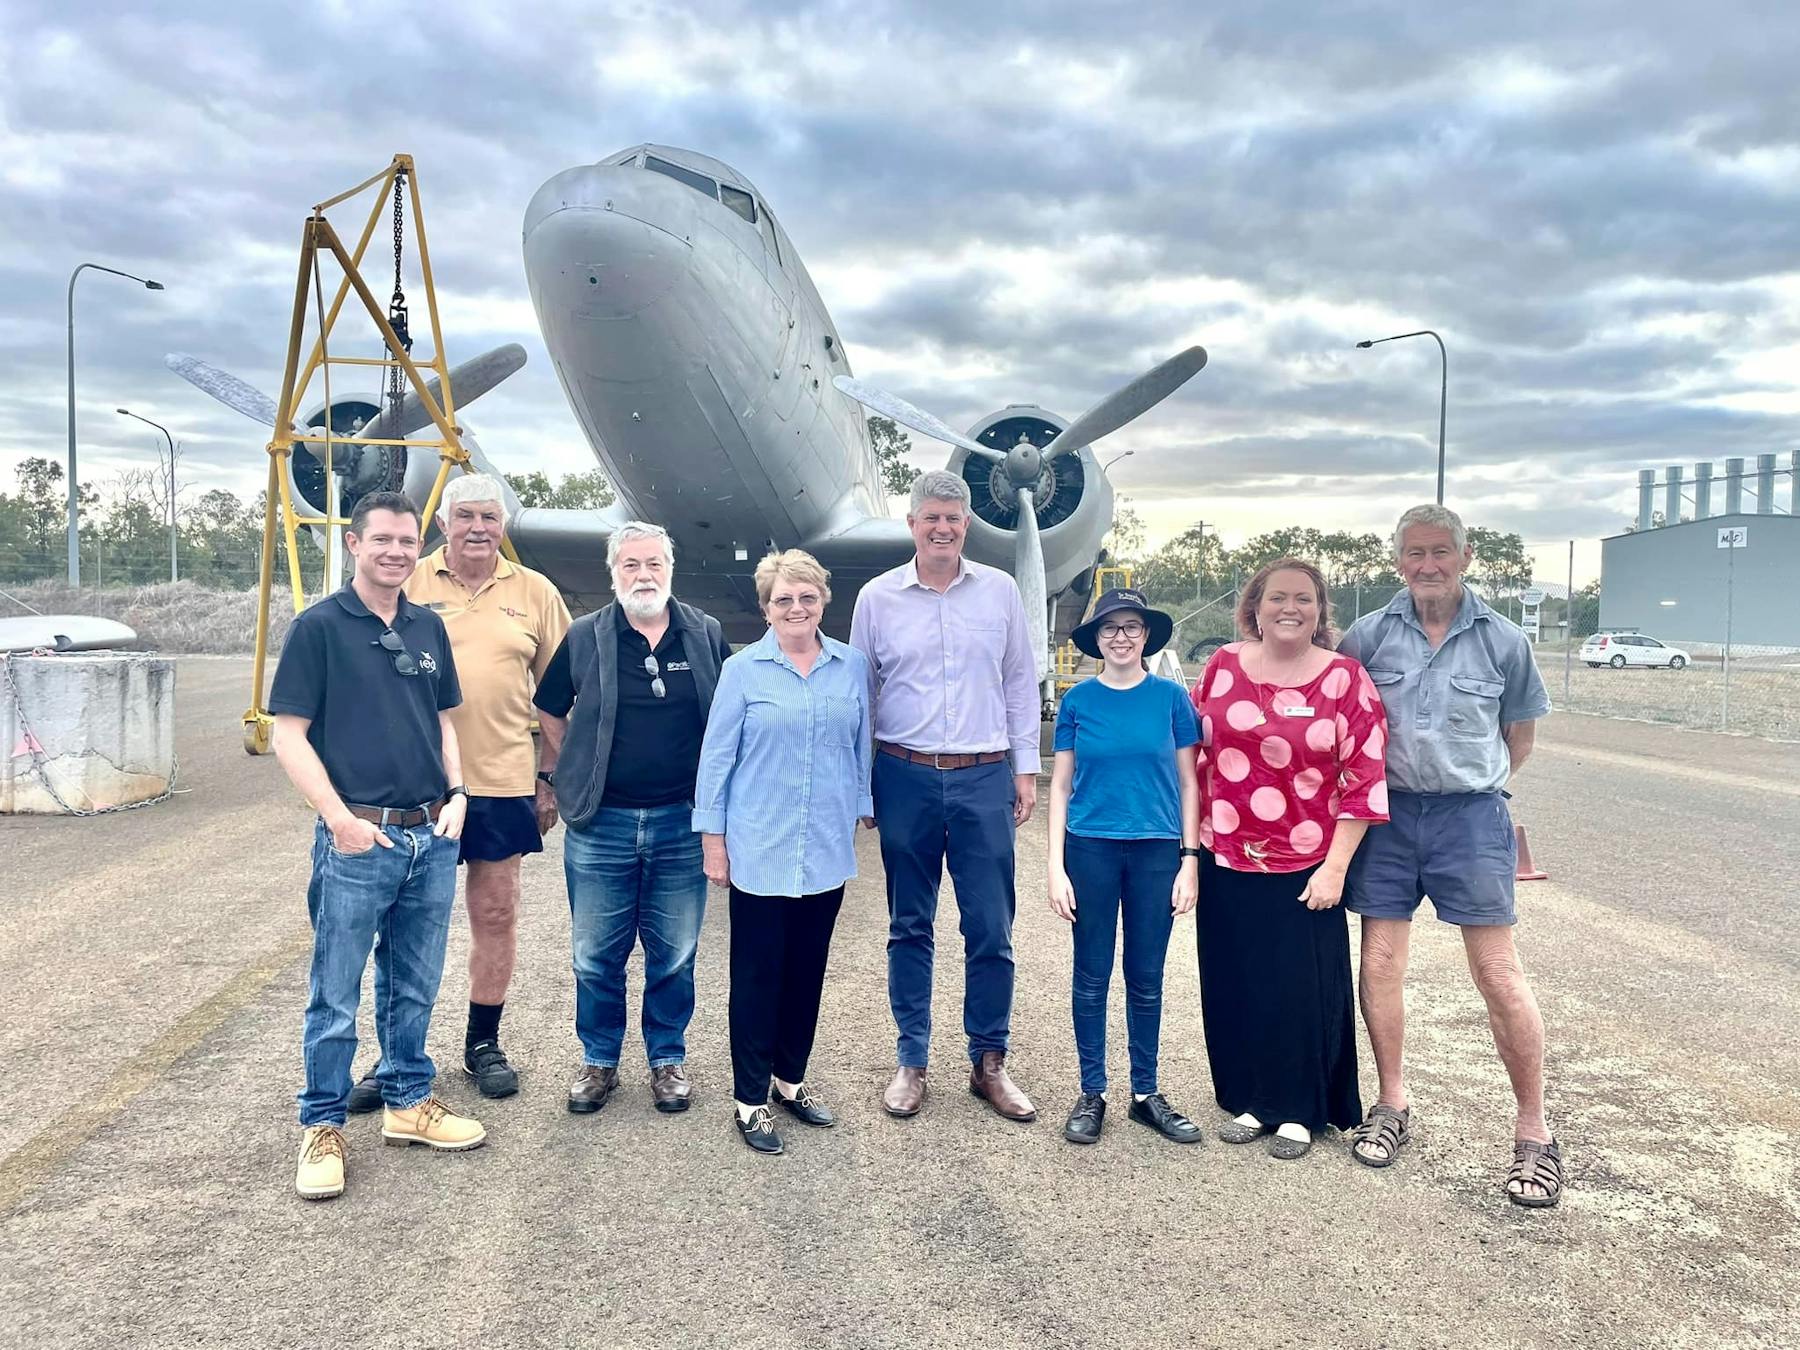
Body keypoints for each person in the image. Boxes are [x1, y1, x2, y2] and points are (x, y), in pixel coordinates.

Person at [1339, 504, 1561, 1207]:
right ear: (1398, 560)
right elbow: (1340, 720)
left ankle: (1534, 1133)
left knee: (1497, 972)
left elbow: (1517, 739)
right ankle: (1392, 1103)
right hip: (1388, 816)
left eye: (1441, 552)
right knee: (1378, 963)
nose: (1427, 565)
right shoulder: (1367, 637)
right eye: (1415, 553)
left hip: (1471, 816)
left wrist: (1471, 786)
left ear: (1465, 557)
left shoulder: (1503, 641)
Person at [270, 490, 485, 1202]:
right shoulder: (321, 628)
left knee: (414, 982)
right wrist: (337, 818)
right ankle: (323, 1124)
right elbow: (288, 733)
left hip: (431, 834)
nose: (395, 551)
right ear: (354, 545)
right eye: (382, 540)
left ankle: (407, 1101)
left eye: (405, 541)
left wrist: (459, 796)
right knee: (336, 992)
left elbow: (446, 720)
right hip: (358, 837)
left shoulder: (428, 627)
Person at [343, 474, 570, 1112]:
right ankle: (395, 1054)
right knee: (404, 929)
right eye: (464, 515)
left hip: (501, 784)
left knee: (495, 915)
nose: (477, 528)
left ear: (504, 526)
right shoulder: (405, 579)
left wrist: (548, 777)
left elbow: (558, 695)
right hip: (415, 788)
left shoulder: (535, 593)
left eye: (489, 518)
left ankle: (482, 1045)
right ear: (442, 523)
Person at [850, 469, 1042, 1123]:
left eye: (953, 518)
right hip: (904, 774)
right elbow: (862, 695)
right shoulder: (877, 599)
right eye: (930, 517)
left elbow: (1020, 680)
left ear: (966, 525)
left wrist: (1024, 769)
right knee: (910, 926)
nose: (942, 528)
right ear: (911, 524)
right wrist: (862, 782)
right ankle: (912, 1061)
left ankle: (989, 1061)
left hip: (984, 774)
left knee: (991, 927)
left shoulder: (1000, 593)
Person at [1189, 557, 1389, 1160]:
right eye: (1277, 597)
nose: (1289, 609)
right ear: (1255, 605)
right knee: (1239, 980)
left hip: (1305, 861)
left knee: (1300, 988)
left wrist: (1335, 867)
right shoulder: (1222, 668)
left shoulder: (1344, 679)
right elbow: (1191, 759)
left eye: (1304, 599)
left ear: (1320, 611)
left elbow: (1365, 777)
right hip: (1227, 853)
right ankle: (1251, 1098)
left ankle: (1301, 1108)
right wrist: (1190, 851)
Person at [532, 521, 731, 1117]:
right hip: (603, 823)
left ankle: (666, 1058)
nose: (643, 575)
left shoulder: (705, 633)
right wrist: (576, 767)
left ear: (670, 569)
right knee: (595, 954)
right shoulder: (587, 635)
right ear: (613, 572)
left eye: (653, 564)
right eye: (630, 565)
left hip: (680, 822)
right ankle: (600, 1060)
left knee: (674, 951)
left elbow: (725, 716)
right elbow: (549, 707)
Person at [693, 550, 873, 1155]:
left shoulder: (851, 666)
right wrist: (712, 841)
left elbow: (859, 746)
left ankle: (790, 1080)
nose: (795, 609)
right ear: (765, 607)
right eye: (781, 600)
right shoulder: (743, 670)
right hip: (759, 847)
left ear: (823, 600)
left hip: (822, 848)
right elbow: (716, 760)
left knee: (807, 972)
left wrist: (863, 805)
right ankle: (750, 1099)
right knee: (757, 975)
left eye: (806, 598)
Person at [1047, 588, 1204, 1147]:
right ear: (1097, 640)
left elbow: (1190, 782)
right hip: (1090, 846)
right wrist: (1054, 866)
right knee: (1090, 974)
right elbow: (1060, 787)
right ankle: (1093, 1090)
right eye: (1110, 628)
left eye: (1132, 627)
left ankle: (1145, 1092)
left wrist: (1190, 860)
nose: (1120, 637)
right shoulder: (1078, 701)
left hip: (1157, 850)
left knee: (1146, 975)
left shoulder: (1170, 700)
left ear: (1146, 637)